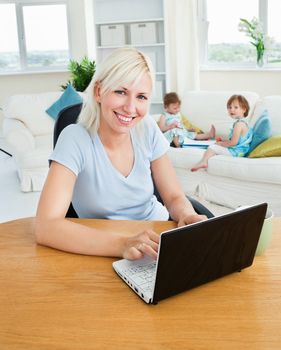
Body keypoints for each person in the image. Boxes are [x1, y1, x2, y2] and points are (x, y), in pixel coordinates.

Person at [35, 47, 206, 261]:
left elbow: (173, 196)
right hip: (107, 248)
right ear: (99, 92)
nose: (130, 108)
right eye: (121, 92)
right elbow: (45, 226)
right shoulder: (74, 139)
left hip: (158, 238)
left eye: (141, 96)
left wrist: (186, 214)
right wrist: (124, 244)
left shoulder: (148, 129)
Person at [191, 94, 253, 172]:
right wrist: (223, 142)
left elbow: (233, 143)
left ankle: (203, 161)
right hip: (240, 151)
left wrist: (220, 144)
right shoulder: (244, 123)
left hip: (236, 153)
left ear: (244, 109)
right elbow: (237, 141)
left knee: (212, 147)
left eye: (235, 107)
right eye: (229, 107)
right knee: (217, 143)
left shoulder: (238, 125)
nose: (231, 110)